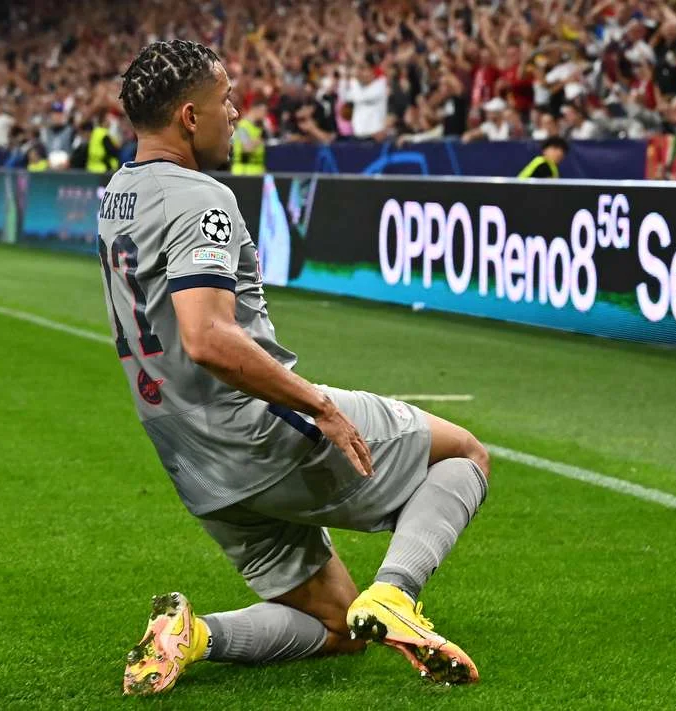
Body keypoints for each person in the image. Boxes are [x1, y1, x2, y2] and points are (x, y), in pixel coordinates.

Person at [104, 40, 490, 696]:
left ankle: (193, 635)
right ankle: (397, 593)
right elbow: (208, 337)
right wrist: (319, 406)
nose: (236, 114)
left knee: (339, 626)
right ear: (189, 118)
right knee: (463, 454)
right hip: (259, 430)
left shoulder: (118, 193)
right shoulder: (199, 199)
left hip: (190, 458)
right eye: (225, 100)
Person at [231, 99, 267, 174]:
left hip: (257, 170)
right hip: (243, 171)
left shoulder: (258, 127)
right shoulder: (243, 127)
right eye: (263, 111)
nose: (265, 115)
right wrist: (261, 137)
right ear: (255, 110)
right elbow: (247, 148)